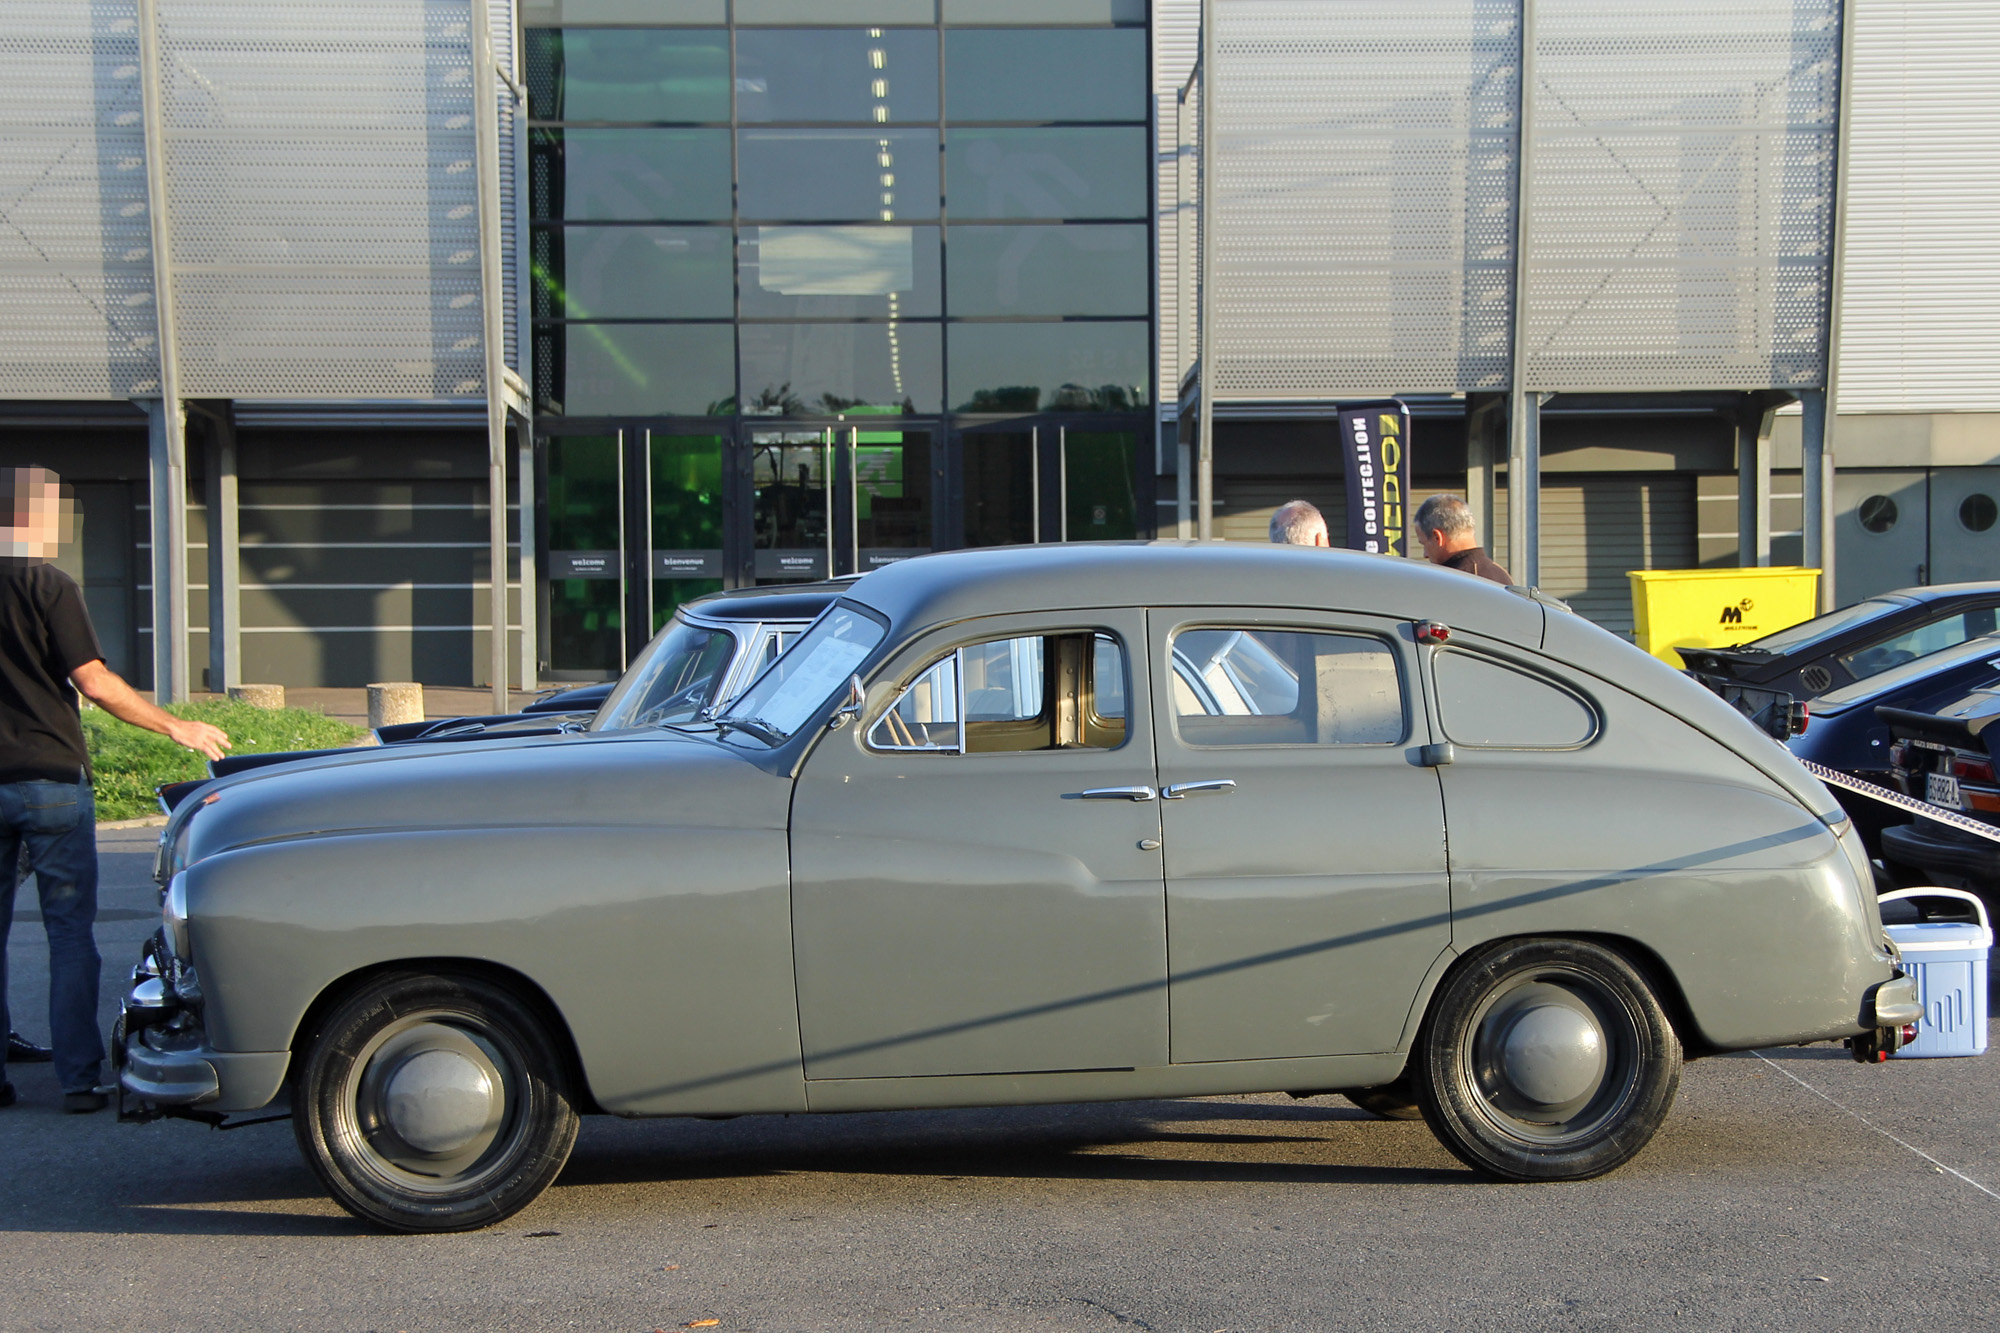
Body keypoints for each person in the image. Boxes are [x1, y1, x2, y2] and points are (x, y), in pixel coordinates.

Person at [0, 467, 229, 1113]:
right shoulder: (48, 582)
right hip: (48, 776)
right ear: (34, 518)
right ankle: (77, 1079)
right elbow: (94, 681)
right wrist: (176, 725)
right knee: (69, 931)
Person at [1414, 493, 1512, 585]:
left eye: (1424, 544)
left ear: (1437, 537)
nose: (1425, 555)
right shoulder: (1502, 575)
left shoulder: (1449, 582)